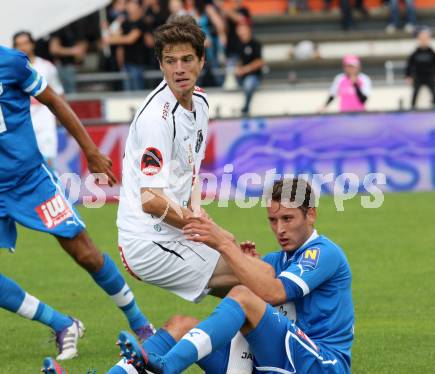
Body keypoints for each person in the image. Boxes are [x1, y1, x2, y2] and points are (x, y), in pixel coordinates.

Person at [109, 15, 256, 373]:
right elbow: (151, 200)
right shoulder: (157, 119)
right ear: (160, 64)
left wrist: (206, 223)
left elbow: (189, 176)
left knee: (249, 281)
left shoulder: (201, 105)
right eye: (170, 61)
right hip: (147, 240)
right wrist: (216, 238)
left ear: (202, 60)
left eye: (187, 59)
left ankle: (138, 365)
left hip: (172, 228)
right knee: (254, 280)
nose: (179, 69)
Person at [0, 44, 154, 360]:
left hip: (30, 180)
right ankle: (61, 324)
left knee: (84, 253)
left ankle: (140, 323)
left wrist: (91, 152)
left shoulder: (10, 63)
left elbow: (54, 100)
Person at [113, 177, 355, 374]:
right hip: (280, 359)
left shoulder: (324, 253)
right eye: (273, 220)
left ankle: (168, 366)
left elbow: (273, 293)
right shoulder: (275, 260)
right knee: (181, 325)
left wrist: (224, 245)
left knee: (243, 294)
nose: (279, 229)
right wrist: (243, 261)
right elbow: (235, 308)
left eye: (287, 218)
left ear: (310, 215)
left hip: (320, 364)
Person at [13, 31, 64, 168]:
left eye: (25, 43)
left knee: (48, 164)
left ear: (32, 44)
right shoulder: (11, 70)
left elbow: (58, 94)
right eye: (18, 45)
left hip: (45, 123)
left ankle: (51, 189)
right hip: (22, 124)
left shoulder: (47, 67)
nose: (22, 47)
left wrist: (62, 119)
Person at [49, 20, 88, 93]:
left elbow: (82, 47)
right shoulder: (59, 27)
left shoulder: (77, 25)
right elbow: (54, 49)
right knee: (68, 95)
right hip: (63, 66)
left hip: (73, 66)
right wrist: (73, 51)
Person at [405, 27, 435, 109]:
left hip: (430, 76)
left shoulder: (432, 52)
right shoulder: (415, 53)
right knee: (415, 92)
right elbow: (409, 65)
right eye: (422, 39)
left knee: (434, 92)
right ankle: (412, 107)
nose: (424, 40)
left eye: (425, 38)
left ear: (428, 40)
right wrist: (408, 76)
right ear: (419, 40)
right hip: (418, 76)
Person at [235, 20, 264, 116]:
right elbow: (239, 61)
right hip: (241, 77)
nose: (241, 33)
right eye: (239, 31)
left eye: (242, 30)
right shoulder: (239, 45)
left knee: (249, 83)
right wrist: (238, 69)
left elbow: (260, 62)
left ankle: (246, 108)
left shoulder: (256, 44)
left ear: (248, 31)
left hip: (254, 75)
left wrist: (245, 69)